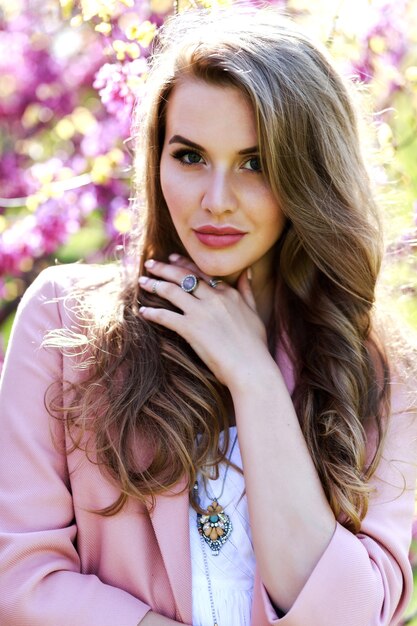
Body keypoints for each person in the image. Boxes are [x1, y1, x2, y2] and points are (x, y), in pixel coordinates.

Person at [0, 6, 416, 626]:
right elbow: (21, 580)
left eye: (255, 163)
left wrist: (254, 379)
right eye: (190, 156)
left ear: (310, 176)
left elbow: (348, 615)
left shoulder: (381, 370)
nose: (214, 201)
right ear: (155, 158)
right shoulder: (65, 325)